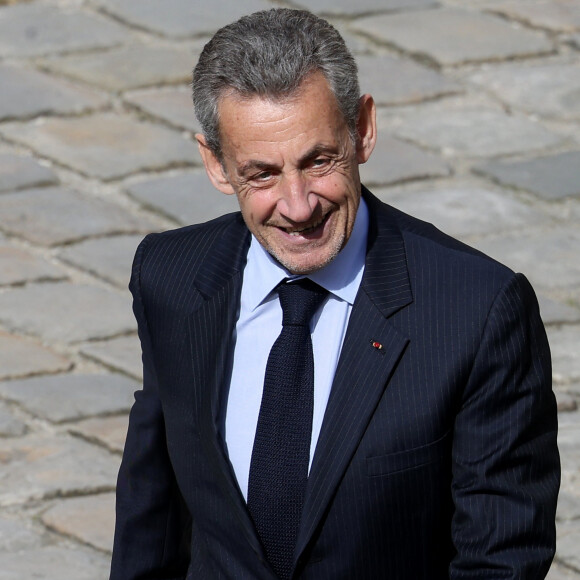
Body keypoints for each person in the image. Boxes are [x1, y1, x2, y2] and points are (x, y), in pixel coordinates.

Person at [110, 8, 559, 580]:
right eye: (262, 174)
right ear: (216, 165)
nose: (298, 207)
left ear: (363, 129)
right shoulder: (169, 277)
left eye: (319, 161)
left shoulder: (477, 311)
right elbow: (155, 506)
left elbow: (501, 559)